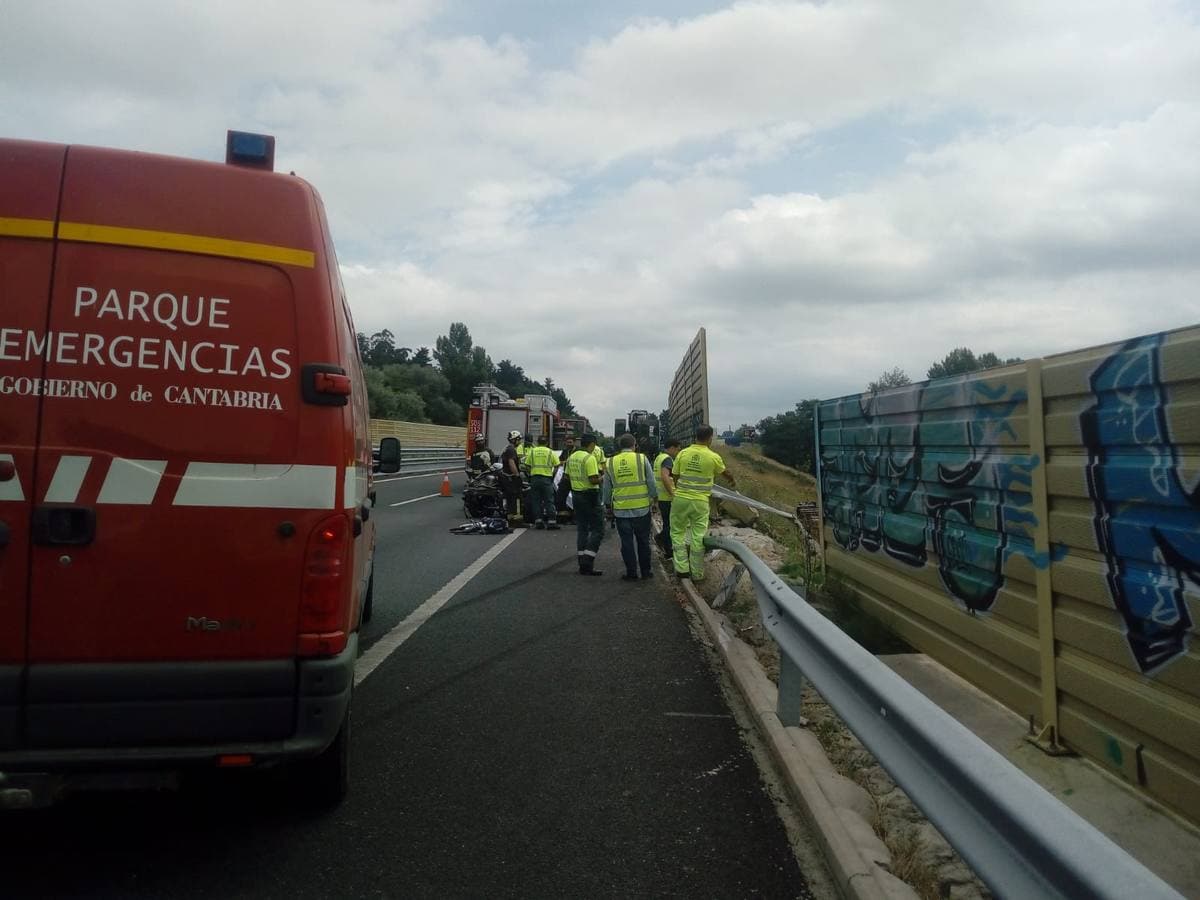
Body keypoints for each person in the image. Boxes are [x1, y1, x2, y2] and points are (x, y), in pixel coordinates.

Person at [670, 425, 736, 582]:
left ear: (695, 436)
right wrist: (732, 480)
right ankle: (697, 573)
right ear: (710, 438)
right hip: (700, 502)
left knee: (677, 533)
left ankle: (682, 569)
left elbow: (675, 475)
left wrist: (681, 489)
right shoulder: (713, 456)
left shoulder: (683, 453)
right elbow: (725, 472)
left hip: (681, 499)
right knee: (698, 536)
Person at [603, 433, 658, 581]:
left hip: (621, 510)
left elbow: (607, 488)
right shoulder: (642, 459)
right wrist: (655, 499)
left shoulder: (610, 462)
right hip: (642, 509)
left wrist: (608, 505)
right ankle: (646, 572)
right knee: (643, 541)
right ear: (634, 445)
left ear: (620, 447)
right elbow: (651, 482)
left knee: (626, 542)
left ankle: (631, 572)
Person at [566, 433, 605, 575]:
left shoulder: (572, 457)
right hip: (590, 495)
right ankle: (588, 560)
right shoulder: (590, 458)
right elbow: (593, 479)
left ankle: (582, 561)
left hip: (576, 495)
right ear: (592, 444)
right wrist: (603, 477)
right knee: (598, 529)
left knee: (582, 529)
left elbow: (567, 476)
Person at [527, 435, 561, 530]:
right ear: (547, 443)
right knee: (549, 500)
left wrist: (531, 473)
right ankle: (551, 522)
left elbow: (527, 465)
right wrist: (552, 476)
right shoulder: (550, 452)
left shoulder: (532, 451)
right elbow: (557, 465)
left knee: (536, 500)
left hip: (534, 478)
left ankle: (538, 521)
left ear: (537, 442)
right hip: (547, 479)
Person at [654, 438, 681, 555]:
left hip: (661, 496)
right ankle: (668, 549)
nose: (678, 452)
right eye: (677, 449)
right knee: (671, 524)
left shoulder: (659, 457)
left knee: (668, 522)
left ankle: (664, 542)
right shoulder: (667, 459)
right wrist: (673, 493)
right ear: (672, 448)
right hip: (667, 497)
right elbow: (665, 476)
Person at [500, 430, 525, 521]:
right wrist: (517, 475)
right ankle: (517, 519)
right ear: (515, 440)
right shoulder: (511, 449)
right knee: (517, 498)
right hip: (511, 478)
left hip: (506, 478)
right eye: (519, 439)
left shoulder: (507, 448)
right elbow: (511, 463)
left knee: (509, 498)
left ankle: (510, 517)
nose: (520, 442)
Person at [555, 433, 577, 517]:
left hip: (576, 477)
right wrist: (565, 462)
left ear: (574, 442)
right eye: (567, 442)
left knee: (576, 496)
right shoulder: (565, 452)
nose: (568, 444)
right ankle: (563, 513)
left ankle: (575, 514)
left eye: (570, 442)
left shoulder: (577, 451)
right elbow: (558, 462)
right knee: (560, 494)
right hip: (566, 476)